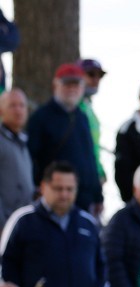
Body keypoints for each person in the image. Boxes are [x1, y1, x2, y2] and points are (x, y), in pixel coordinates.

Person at [0, 161, 105, 287]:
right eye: (58, 188)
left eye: (69, 189)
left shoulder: (88, 223)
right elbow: (6, 262)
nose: (64, 195)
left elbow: (101, 266)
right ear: (44, 187)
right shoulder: (23, 220)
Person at [26, 63, 103, 216]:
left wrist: (98, 195)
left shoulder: (82, 117)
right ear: (56, 85)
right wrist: (37, 188)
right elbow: (31, 157)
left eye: (76, 84)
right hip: (55, 197)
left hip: (84, 199)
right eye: (67, 84)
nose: (72, 89)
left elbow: (90, 157)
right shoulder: (41, 117)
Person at [0, 88, 34, 231]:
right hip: (4, 224)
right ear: (1, 110)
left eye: (22, 105)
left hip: (21, 225)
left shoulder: (23, 142)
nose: (18, 110)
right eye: (12, 105)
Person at [77, 58, 107, 187]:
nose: (96, 79)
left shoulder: (89, 109)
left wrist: (99, 171)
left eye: (99, 75)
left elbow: (94, 146)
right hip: (78, 178)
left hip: (91, 176)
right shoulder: (74, 107)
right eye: (91, 74)